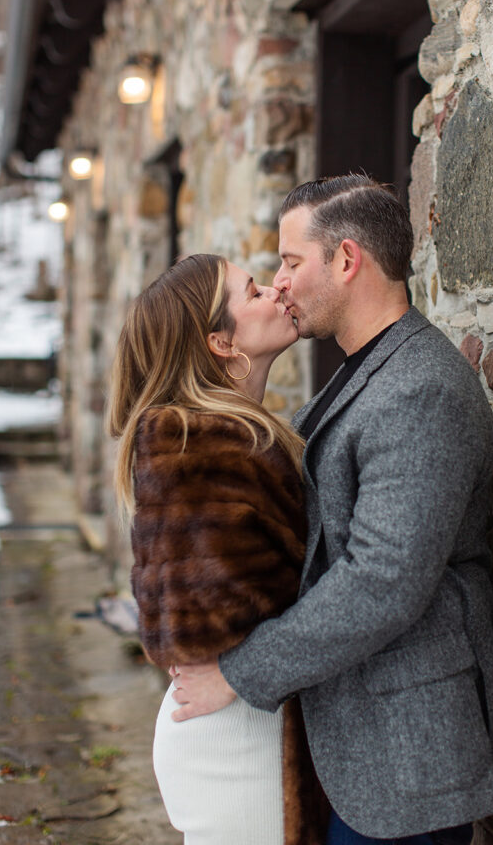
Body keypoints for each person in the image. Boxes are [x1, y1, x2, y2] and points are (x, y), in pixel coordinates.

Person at [171, 175, 493, 845]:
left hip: (404, 751)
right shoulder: (367, 371)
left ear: (346, 260)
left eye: (291, 262)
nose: (279, 283)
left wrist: (240, 675)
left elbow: (382, 581)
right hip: (356, 738)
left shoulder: (420, 389)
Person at [107, 253, 327, 845]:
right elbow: (202, 617)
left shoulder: (243, 433)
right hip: (234, 739)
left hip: (246, 716)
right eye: (254, 292)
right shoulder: (192, 442)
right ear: (222, 343)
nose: (278, 291)